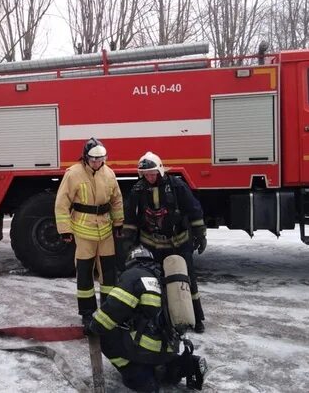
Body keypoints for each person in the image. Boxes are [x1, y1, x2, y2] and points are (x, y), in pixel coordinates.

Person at [88, 246, 208, 392]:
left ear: (130, 262)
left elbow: (114, 309)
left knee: (105, 336)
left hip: (147, 347)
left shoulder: (133, 276)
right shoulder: (164, 277)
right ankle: (177, 367)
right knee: (154, 341)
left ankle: (142, 379)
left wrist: (93, 327)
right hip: (170, 346)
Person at [124, 152, 208, 333]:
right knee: (153, 282)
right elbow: (130, 216)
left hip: (178, 243)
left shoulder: (177, 187)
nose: (149, 177)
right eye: (146, 174)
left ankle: (196, 318)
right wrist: (128, 239)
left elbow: (194, 210)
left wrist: (200, 234)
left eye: (152, 173)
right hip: (151, 245)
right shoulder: (138, 190)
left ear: (160, 170)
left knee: (187, 281)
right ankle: (162, 318)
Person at [55, 137, 124, 331]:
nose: (97, 163)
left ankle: (109, 311)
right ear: (85, 158)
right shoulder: (73, 174)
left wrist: (118, 223)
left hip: (105, 231)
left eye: (100, 159)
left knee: (109, 274)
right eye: (94, 160)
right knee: (85, 274)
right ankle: (87, 313)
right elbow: (62, 203)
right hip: (83, 232)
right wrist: (65, 230)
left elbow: (116, 200)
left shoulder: (109, 173)